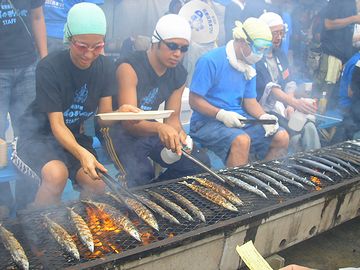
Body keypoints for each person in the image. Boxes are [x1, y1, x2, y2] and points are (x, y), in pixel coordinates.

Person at [12, 3, 134, 208]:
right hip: (37, 137)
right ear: (69, 38)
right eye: (82, 46)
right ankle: (36, 228)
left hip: (74, 137)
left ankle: (81, 224)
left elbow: (103, 117)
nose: (89, 54)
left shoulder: (105, 67)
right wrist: (82, 153)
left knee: (97, 184)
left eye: (98, 46)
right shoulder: (49, 67)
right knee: (56, 175)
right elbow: (57, 125)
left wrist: (120, 113)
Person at [98, 14, 210, 188]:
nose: (178, 54)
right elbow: (128, 123)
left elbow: (172, 119)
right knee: (141, 174)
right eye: (172, 46)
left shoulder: (178, 74)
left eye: (184, 48)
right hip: (117, 129)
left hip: (148, 127)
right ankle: (145, 192)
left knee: (198, 161)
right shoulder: (129, 67)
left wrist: (180, 135)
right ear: (156, 42)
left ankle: (155, 193)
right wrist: (160, 128)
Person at [189, 17, 289, 168]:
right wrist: (221, 114)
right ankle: (235, 189)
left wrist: (263, 117)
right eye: (258, 47)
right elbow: (194, 101)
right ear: (243, 41)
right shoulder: (210, 61)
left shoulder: (249, 65)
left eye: (264, 49)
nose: (260, 54)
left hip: (239, 120)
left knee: (282, 137)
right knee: (241, 140)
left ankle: (262, 179)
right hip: (205, 123)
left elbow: (250, 101)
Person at [0, 0, 47, 214]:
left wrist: (44, 60)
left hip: (28, 65)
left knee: (30, 137)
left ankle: (25, 204)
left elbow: (37, 17)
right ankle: (3, 201)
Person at [256, 12, 320, 152]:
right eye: (274, 33)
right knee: (295, 134)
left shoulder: (279, 54)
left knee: (309, 125)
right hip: (262, 109)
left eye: (281, 33)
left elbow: (289, 83)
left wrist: (290, 106)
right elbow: (271, 89)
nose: (279, 37)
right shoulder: (256, 57)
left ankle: (315, 168)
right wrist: (294, 103)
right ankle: (294, 166)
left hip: (283, 105)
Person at [316, 0, 360, 107]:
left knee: (331, 100)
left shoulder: (353, 4)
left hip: (343, 58)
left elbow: (346, 35)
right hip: (331, 55)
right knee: (322, 96)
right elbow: (328, 24)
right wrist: (355, 18)